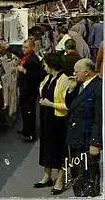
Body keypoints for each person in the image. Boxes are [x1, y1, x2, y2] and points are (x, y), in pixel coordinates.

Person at [65, 58, 102, 197]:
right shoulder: (80, 86)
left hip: (87, 140)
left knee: (88, 177)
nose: (74, 74)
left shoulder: (97, 88)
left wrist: (95, 142)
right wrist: (71, 89)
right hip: (76, 138)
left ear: (86, 72)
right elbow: (71, 107)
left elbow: (99, 118)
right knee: (77, 175)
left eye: (76, 71)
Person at [36, 53, 72, 195]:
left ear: (51, 65)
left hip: (59, 119)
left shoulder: (64, 80)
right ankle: (47, 176)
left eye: (45, 64)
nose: (43, 67)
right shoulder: (48, 78)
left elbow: (68, 105)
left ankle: (60, 181)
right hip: (47, 118)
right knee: (46, 147)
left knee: (59, 149)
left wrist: (50, 104)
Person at [8, 38, 46, 142]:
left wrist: (24, 71)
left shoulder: (33, 60)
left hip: (30, 89)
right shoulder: (27, 56)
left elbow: (37, 76)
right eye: (23, 47)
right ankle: (26, 130)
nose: (23, 49)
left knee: (29, 111)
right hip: (25, 88)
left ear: (32, 48)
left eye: (26, 47)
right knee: (25, 110)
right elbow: (19, 53)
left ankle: (30, 134)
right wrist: (8, 47)